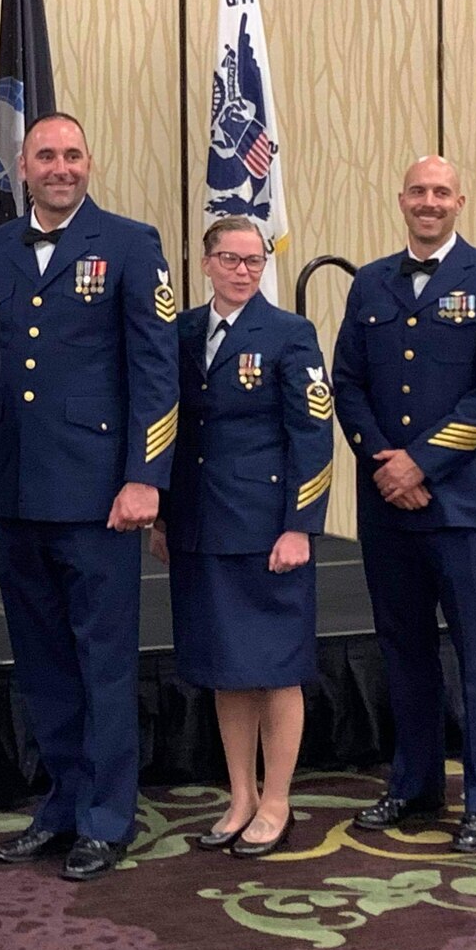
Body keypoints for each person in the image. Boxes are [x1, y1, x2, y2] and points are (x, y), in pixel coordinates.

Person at [0, 113, 179, 882]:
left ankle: (106, 817)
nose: (60, 167)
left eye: (72, 155)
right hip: (18, 490)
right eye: (46, 156)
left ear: (91, 162)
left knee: (104, 663)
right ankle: (60, 804)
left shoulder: (130, 243)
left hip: (99, 495)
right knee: (43, 661)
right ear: (22, 166)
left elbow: (156, 373)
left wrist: (146, 476)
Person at [332, 156, 476, 854]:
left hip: (463, 506)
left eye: (440, 192)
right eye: (418, 191)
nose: (428, 202)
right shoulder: (372, 282)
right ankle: (413, 785)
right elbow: (346, 382)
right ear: (400, 200)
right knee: (403, 651)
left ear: (460, 203)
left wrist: (423, 461)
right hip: (388, 506)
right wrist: (385, 460)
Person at [155, 217, 334, 859]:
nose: (243, 270)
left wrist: (300, 525)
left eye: (254, 261)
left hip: (266, 530)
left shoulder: (289, 334)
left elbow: (312, 435)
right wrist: (164, 518)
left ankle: (279, 798)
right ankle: (240, 796)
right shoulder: (181, 334)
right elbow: (171, 431)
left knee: (276, 668)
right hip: (202, 525)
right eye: (230, 259)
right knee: (227, 670)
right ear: (204, 263)